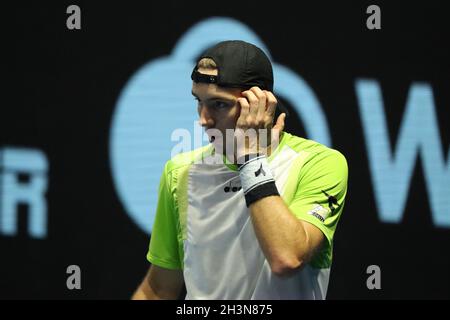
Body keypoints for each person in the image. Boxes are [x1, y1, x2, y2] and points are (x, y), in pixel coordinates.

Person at [132, 40, 348, 300]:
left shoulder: (319, 163)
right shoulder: (180, 173)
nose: (203, 119)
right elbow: (158, 289)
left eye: (219, 104)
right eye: (199, 101)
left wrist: (250, 158)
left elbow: (287, 258)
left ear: (261, 104)